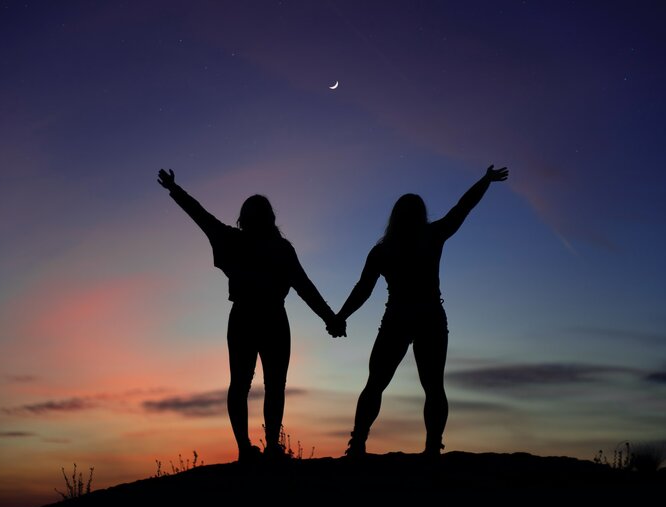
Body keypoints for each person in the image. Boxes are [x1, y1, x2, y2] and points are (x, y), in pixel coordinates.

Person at [157, 168, 345, 462]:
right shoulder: (260, 244)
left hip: (257, 318)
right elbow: (304, 287)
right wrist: (330, 318)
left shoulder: (260, 245)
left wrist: (330, 318)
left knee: (256, 384)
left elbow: (304, 286)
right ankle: (256, 448)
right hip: (259, 318)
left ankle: (258, 447)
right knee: (258, 384)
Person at [334, 164, 509, 457]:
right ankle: (430, 447)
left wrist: (341, 317)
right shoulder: (428, 236)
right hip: (425, 317)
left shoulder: (384, 250)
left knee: (378, 383)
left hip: (402, 317)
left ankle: (360, 443)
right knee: (428, 386)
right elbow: (461, 208)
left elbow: (362, 290)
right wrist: (486, 180)